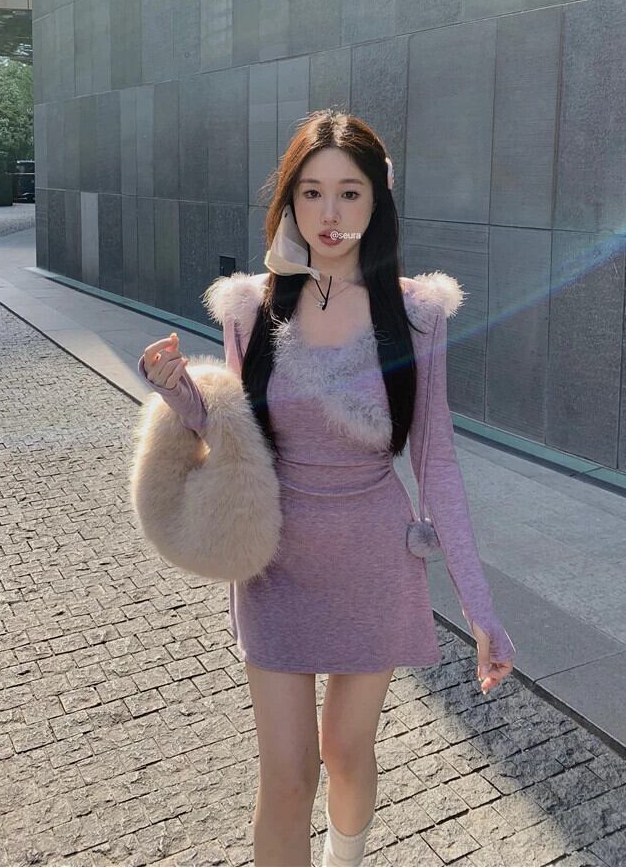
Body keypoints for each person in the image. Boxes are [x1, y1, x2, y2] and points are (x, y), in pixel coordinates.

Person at [137, 110, 516, 867]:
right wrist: (179, 392)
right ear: (288, 201)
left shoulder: (417, 312)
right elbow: (236, 430)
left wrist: (481, 609)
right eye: (311, 193)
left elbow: (436, 460)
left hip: (373, 558)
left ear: (378, 199)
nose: (329, 213)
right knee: (286, 777)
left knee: (345, 751)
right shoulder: (251, 304)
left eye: (349, 192)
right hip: (275, 559)